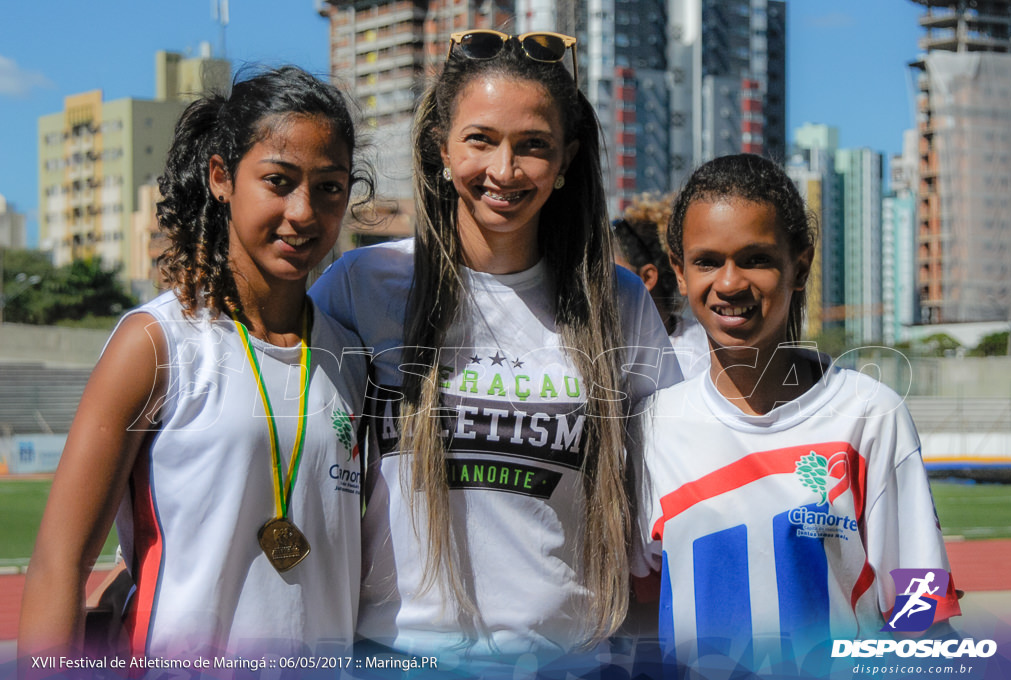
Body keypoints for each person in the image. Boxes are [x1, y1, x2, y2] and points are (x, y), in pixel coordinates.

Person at [311, 29, 679, 672]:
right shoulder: (361, 286)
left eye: (533, 146)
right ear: (442, 150)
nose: (504, 172)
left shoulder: (616, 302)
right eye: (481, 140)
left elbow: (666, 505)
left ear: (565, 160)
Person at [19, 66, 372, 661]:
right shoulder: (157, 344)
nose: (304, 212)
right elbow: (61, 562)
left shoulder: (351, 358)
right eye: (278, 181)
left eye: (329, 187)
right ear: (221, 178)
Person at [635, 154, 959, 672]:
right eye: (707, 261)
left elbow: (922, 616)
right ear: (679, 270)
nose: (731, 282)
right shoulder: (651, 428)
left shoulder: (869, 415)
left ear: (799, 267)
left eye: (756, 258)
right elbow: (636, 610)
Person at [613, 194, 709, 377]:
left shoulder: (706, 351)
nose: (601, 283)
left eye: (612, 271)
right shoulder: (594, 346)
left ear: (647, 278)